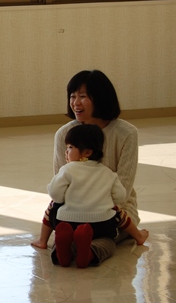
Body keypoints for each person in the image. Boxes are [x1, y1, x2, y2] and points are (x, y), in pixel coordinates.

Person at [31, 70, 141, 264]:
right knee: (94, 232)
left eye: (83, 96)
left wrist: (96, 211)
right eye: (72, 96)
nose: (75, 103)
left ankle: (72, 246)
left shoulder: (126, 133)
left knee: (107, 229)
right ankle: (83, 247)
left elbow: (123, 187)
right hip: (76, 205)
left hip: (113, 208)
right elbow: (60, 181)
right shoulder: (65, 133)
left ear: (101, 98)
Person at [45, 124, 149, 268]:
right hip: (101, 223)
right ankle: (91, 253)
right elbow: (120, 196)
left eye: (70, 147)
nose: (65, 152)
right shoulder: (108, 172)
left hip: (67, 220)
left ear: (87, 152)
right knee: (108, 242)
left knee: (62, 232)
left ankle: (61, 252)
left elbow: (55, 194)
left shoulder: (66, 170)